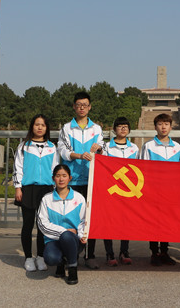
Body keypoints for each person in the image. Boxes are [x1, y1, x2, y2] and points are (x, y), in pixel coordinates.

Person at [57, 91, 104, 269]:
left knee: (90, 219)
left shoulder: (96, 129)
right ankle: (71, 255)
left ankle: (90, 255)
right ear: (74, 107)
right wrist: (78, 155)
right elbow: (62, 150)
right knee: (71, 218)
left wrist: (99, 149)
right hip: (73, 180)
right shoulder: (67, 128)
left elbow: (103, 150)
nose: (82, 108)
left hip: (91, 180)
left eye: (85, 105)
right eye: (79, 105)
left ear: (89, 107)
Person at [13, 114, 58, 272]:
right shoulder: (24, 146)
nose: (40, 127)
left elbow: (55, 169)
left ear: (47, 128)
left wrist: (55, 189)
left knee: (42, 226)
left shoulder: (52, 147)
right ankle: (28, 257)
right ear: (32, 126)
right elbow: (18, 167)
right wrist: (18, 187)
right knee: (28, 224)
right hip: (28, 189)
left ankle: (40, 256)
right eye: (37, 124)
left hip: (46, 190)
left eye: (43, 125)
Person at [140, 112, 180, 266]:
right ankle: (154, 253)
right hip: (154, 191)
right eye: (160, 124)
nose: (163, 127)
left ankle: (164, 252)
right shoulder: (148, 146)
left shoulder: (177, 147)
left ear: (171, 127)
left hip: (171, 192)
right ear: (155, 127)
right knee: (154, 222)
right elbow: (143, 169)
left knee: (167, 222)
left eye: (166, 124)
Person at [38, 164, 87, 285]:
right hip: (54, 240)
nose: (61, 179)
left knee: (67, 237)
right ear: (53, 178)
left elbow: (84, 220)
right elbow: (42, 223)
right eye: (58, 176)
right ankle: (60, 263)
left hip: (74, 240)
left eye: (64, 176)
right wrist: (63, 231)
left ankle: (72, 268)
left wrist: (81, 234)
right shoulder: (47, 199)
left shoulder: (79, 198)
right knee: (50, 258)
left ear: (70, 178)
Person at [101, 116, 139, 266]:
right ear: (114, 129)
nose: (123, 129)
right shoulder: (106, 147)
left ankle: (124, 251)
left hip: (128, 191)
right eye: (120, 126)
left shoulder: (134, 148)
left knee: (126, 222)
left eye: (125, 126)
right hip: (111, 190)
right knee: (108, 221)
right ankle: (109, 253)